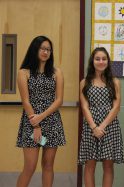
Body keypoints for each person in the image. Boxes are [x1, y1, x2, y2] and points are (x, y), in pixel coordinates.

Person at [16, 36, 66, 187]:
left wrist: (42, 117)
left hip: (52, 122)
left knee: (48, 165)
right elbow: (26, 101)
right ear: (35, 49)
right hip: (31, 123)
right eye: (42, 48)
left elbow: (59, 100)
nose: (45, 52)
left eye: (48, 49)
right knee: (30, 167)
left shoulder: (57, 72)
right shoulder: (24, 72)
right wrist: (36, 126)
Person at [78, 47, 124, 187]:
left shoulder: (115, 82)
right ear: (92, 61)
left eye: (104, 59)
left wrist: (102, 127)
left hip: (109, 127)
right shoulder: (84, 82)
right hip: (90, 127)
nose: (101, 61)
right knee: (89, 165)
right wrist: (94, 127)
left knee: (108, 167)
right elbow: (85, 106)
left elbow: (116, 107)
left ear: (108, 61)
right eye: (97, 59)